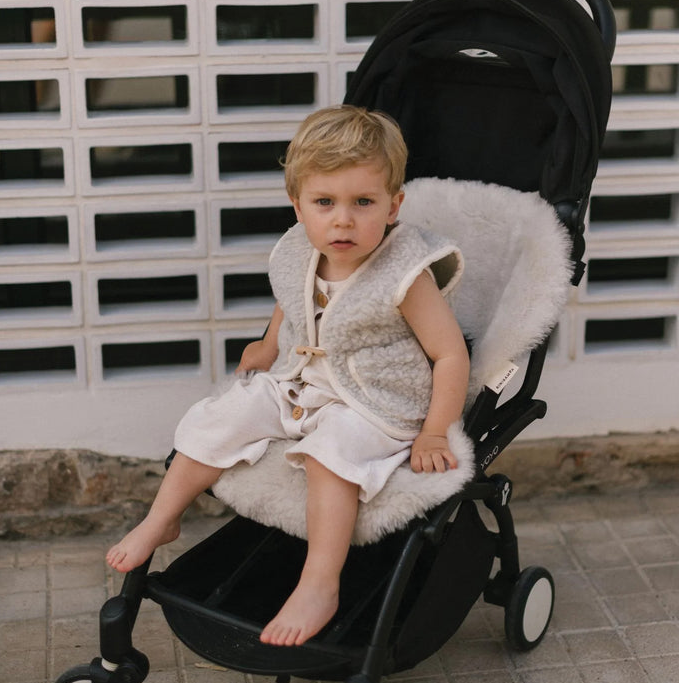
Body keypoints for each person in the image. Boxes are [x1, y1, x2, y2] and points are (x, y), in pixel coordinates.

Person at [106, 106, 470, 647]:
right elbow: (293, 300)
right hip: (305, 382)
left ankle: (320, 583)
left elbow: (450, 355)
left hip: (374, 399)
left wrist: (435, 430)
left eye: (362, 203)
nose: (342, 220)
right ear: (297, 204)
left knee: (331, 455)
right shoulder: (302, 248)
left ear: (393, 207)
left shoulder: (404, 274)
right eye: (324, 203)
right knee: (222, 415)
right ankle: (163, 517)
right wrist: (271, 342)